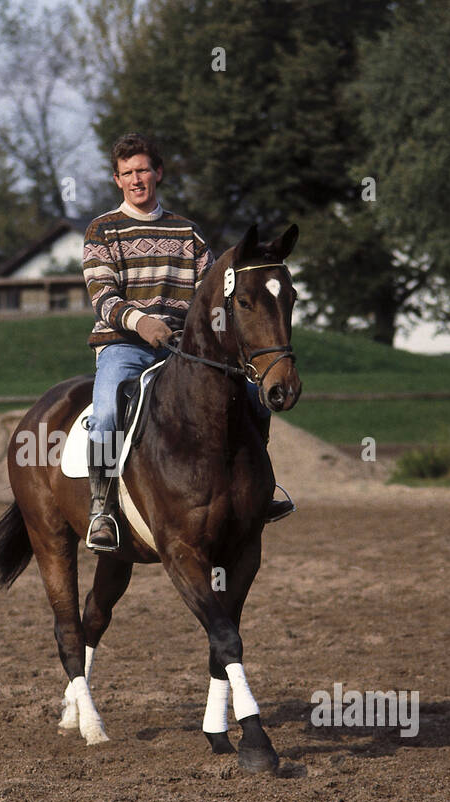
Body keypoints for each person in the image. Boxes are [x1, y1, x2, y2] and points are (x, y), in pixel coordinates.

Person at [81, 133, 293, 552]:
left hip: (182, 347)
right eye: (127, 173)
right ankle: (102, 507)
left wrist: (201, 335)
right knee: (105, 411)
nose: (136, 179)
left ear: (157, 173)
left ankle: (260, 488)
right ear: (117, 180)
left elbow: (210, 293)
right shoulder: (101, 230)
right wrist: (143, 324)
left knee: (252, 394)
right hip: (124, 345)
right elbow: (103, 297)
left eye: (143, 170)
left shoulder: (187, 232)